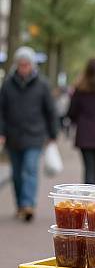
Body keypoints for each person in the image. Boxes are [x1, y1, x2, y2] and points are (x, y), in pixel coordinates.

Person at [0, 46, 57, 221]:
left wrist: (52, 134)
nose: (24, 68)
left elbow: (50, 111)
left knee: (30, 169)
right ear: (16, 65)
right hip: (13, 135)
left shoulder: (42, 84)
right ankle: (20, 205)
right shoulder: (8, 84)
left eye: (27, 64)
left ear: (32, 65)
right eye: (21, 64)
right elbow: (1, 110)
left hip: (34, 135)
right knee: (17, 173)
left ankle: (28, 204)